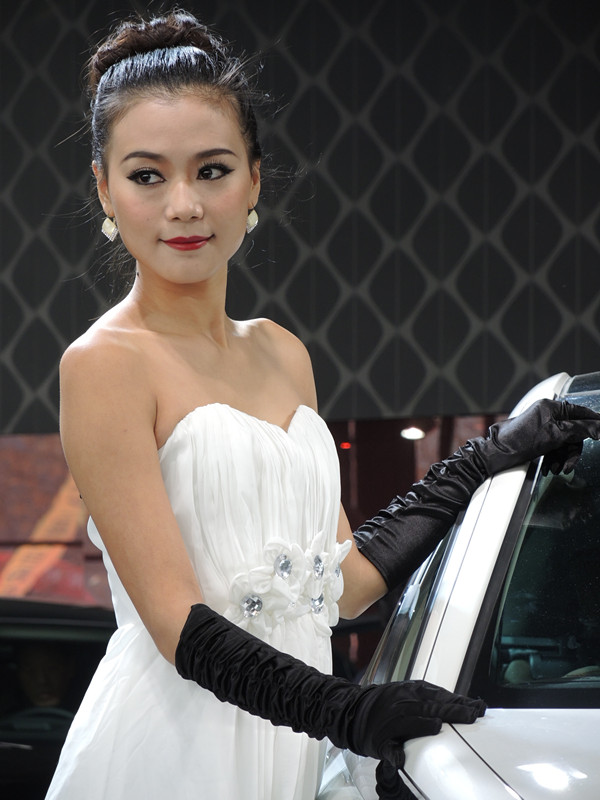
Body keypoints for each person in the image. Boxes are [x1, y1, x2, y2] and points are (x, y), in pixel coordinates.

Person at [46, 9, 600, 799]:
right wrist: (351, 713)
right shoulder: (104, 364)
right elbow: (177, 626)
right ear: (104, 187)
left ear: (254, 179)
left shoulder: (282, 352)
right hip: (169, 752)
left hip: (287, 745)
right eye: (147, 176)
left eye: (212, 169)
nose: (184, 205)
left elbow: (345, 583)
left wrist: (486, 457)